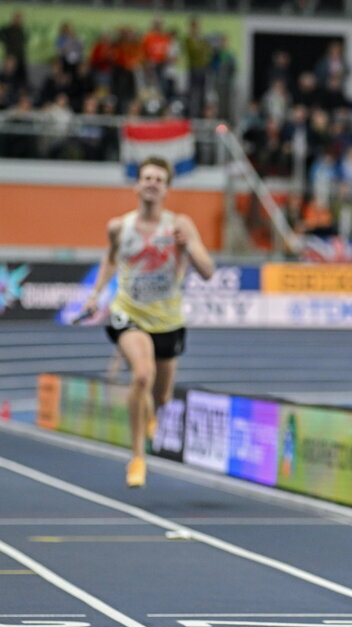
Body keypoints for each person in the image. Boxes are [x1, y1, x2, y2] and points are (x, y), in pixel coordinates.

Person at [80, 156, 215, 488]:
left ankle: (154, 412)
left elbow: (208, 270)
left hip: (168, 321)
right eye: (147, 177)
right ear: (138, 185)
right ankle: (137, 457)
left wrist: (190, 248)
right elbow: (111, 258)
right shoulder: (118, 227)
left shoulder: (179, 225)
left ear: (167, 188)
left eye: (159, 178)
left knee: (163, 396)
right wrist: (96, 293)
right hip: (129, 312)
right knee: (142, 375)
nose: (152, 182)